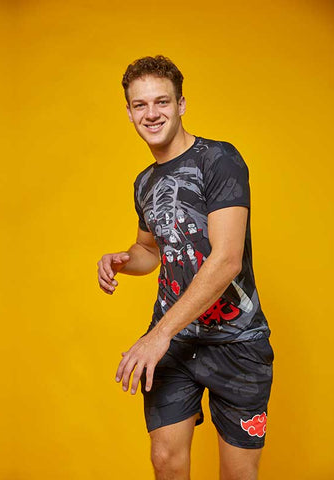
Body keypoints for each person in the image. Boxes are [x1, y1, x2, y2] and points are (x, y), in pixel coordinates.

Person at [97, 55, 273, 480]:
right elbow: (150, 249)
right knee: (165, 460)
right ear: (129, 112)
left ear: (181, 104)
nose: (151, 113)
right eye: (140, 105)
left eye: (162, 101)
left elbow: (226, 259)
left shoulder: (220, 159)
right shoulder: (144, 182)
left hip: (237, 342)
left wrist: (158, 335)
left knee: (238, 474)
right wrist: (122, 260)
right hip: (176, 344)